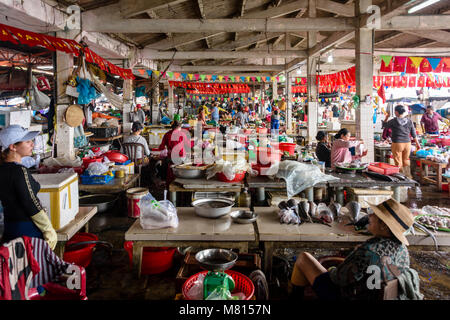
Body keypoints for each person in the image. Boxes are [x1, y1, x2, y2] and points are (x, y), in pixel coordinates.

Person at [290, 199, 417, 300]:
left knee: (303, 258)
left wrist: (332, 269)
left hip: (349, 295)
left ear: (384, 225)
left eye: (375, 214)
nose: (370, 215)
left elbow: (337, 279)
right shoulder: (402, 249)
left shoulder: (368, 251)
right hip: (381, 294)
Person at [0, 125, 57, 249]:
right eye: (27, 141)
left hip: (10, 228)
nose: (32, 144)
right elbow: (30, 201)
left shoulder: (3, 169)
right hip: (27, 231)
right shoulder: (19, 171)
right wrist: (48, 229)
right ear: (13, 147)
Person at [382, 105, 421, 177]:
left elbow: (384, 125)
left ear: (396, 112)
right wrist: (418, 144)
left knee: (398, 161)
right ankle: (408, 176)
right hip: (407, 144)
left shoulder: (393, 121)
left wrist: (387, 117)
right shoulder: (409, 121)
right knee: (406, 160)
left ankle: (401, 177)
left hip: (397, 143)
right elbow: (413, 134)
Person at [156, 121, 190, 186]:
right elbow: (188, 145)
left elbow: (161, 147)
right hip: (181, 158)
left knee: (167, 164)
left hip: (171, 158)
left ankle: (169, 183)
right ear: (179, 127)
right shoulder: (182, 134)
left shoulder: (167, 134)